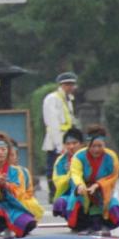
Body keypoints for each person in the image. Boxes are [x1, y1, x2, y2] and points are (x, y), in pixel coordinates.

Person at [0, 132, 43, 239]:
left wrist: (7, 186)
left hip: (11, 206)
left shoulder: (16, 171)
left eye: (3, 149)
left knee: (30, 224)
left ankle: (8, 228)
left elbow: (20, 194)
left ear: (8, 151)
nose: (0, 153)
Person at [63, 124, 119, 236]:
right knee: (74, 202)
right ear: (88, 145)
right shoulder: (79, 156)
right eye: (93, 146)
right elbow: (75, 173)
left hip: (102, 191)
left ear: (104, 144)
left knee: (113, 207)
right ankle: (82, 226)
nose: (96, 149)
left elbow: (112, 177)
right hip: (83, 190)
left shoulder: (111, 157)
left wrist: (98, 185)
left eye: (100, 146)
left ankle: (105, 225)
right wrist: (80, 185)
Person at [42, 72, 79, 203]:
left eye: (72, 84)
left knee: (69, 166)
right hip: (55, 141)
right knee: (52, 168)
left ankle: (65, 191)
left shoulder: (68, 100)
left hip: (67, 140)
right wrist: (60, 145)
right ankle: (53, 194)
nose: (71, 87)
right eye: (68, 84)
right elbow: (53, 124)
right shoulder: (52, 99)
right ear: (62, 85)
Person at [50, 127, 84, 220]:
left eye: (74, 143)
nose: (71, 147)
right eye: (68, 144)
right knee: (61, 202)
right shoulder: (61, 161)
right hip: (67, 194)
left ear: (81, 144)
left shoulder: (86, 157)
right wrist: (70, 174)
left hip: (84, 193)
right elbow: (58, 181)